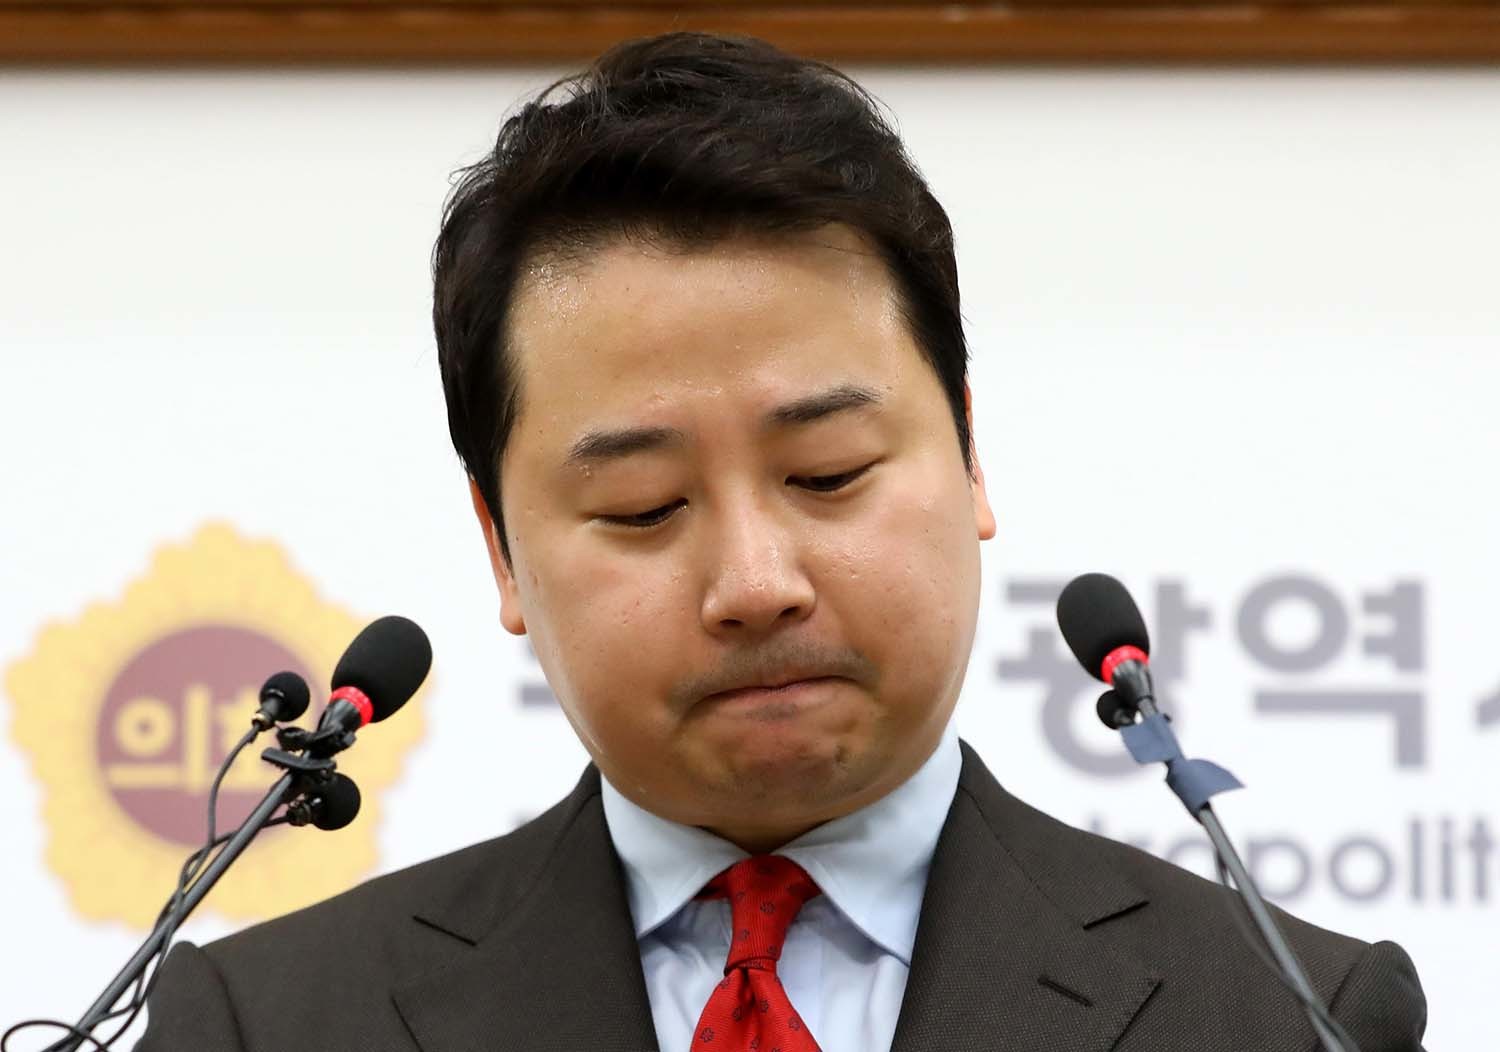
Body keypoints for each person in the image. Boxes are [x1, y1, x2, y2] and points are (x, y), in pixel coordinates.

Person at [138, 31, 1426, 1052]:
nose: (755, 585)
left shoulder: (1288, 1017)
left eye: (828, 473)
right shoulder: (270, 1024)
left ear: (969, 455)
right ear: (502, 548)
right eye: (644, 506)